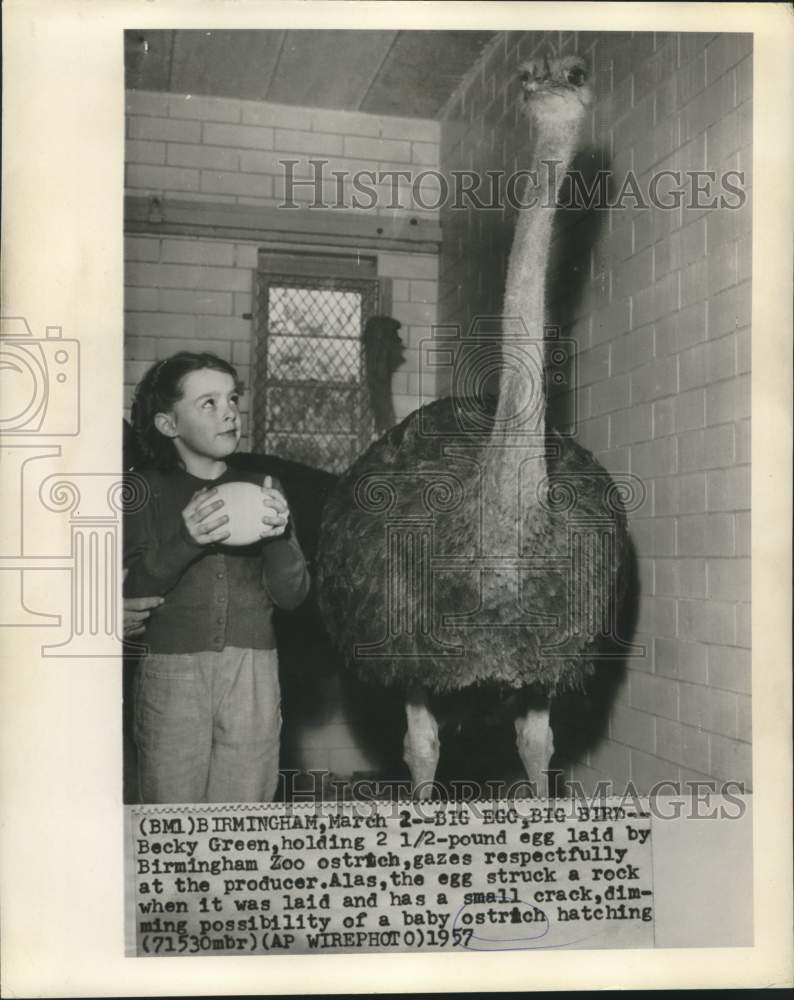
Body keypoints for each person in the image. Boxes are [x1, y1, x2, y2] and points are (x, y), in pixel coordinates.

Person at [123, 352, 310, 804]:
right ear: (169, 424)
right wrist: (186, 538)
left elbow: (293, 597)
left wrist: (279, 536)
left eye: (232, 398)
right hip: (170, 674)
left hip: (253, 673)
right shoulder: (143, 489)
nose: (229, 411)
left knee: (243, 818)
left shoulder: (264, 484)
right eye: (208, 403)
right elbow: (132, 593)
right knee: (170, 819)